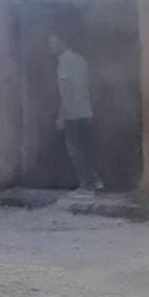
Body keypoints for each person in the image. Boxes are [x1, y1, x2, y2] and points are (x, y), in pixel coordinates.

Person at [49, 34, 103, 196]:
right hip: (84, 110)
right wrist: (90, 110)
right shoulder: (80, 59)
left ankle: (88, 184)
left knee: (74, 149)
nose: (50, 47)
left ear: (64, 42)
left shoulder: (65, 61)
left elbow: (66, 91)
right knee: (81, 148)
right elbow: (86, 86)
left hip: (72, 111)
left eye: (53, 43)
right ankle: (93, 182)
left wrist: (61, 115)